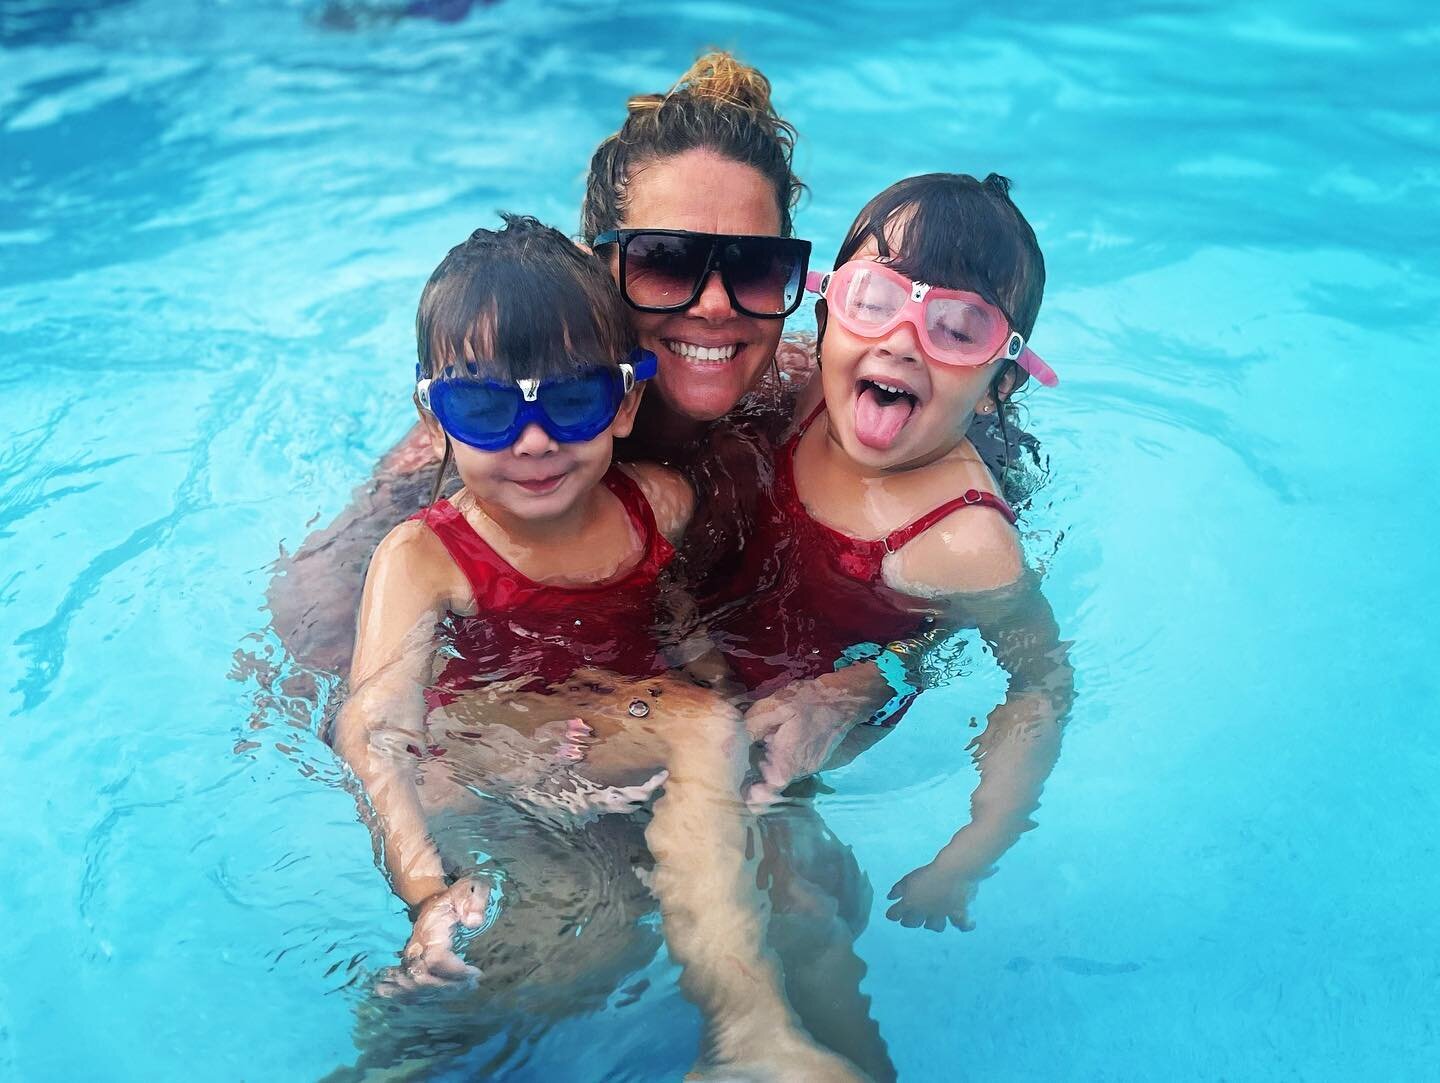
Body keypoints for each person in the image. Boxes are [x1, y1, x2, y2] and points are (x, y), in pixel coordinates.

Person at [333, 215, 862, 1079]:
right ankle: (745, 1030)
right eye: (486, 407)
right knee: (695, 733)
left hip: (606, 738)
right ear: (436, 412)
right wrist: (426, 890)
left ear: (623, 402)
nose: (533, 440)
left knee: (611, 936)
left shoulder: (658, 503)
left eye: (570, 402)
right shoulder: (421, 557)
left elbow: (680, 626)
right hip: (479, 755)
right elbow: (376, 728)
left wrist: (728, 694)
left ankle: (401, 1057)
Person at [727, 173, 1075, 931]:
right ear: (825, 316)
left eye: (957, 327)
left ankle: (808, 884)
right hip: (725, 639)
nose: (899, 339)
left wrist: (970, 853)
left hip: (836, 692)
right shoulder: (800, 389)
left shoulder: (966, 541)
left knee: (770, 856)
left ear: (998, 383)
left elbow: (1041, 685)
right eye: (874, 299)